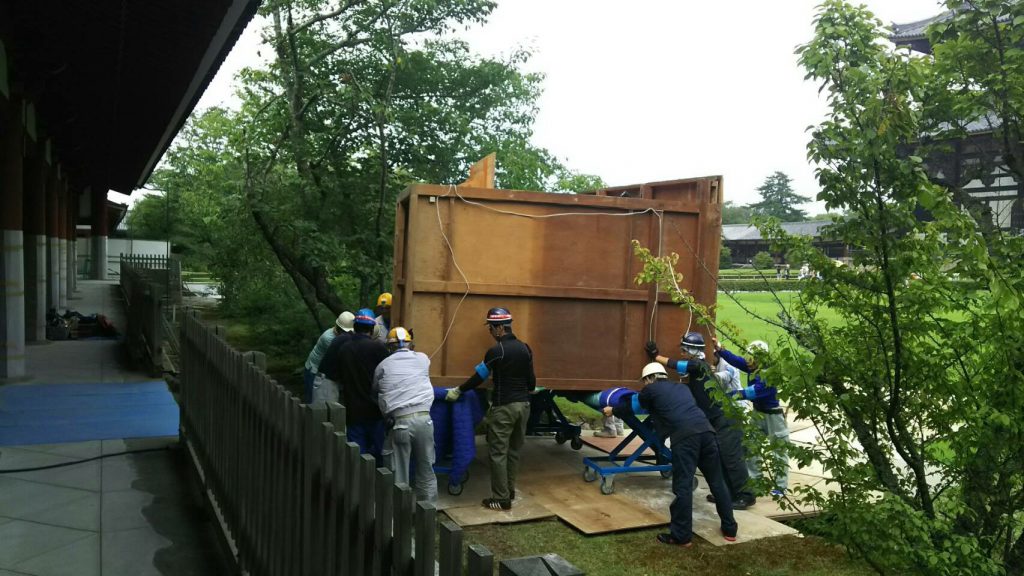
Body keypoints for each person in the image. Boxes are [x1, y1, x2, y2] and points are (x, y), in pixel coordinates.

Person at [606, 362, 738, 546]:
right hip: (707, 433)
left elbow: (632, 407)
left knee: (682, 486)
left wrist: (612, 410)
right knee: (717, 482)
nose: (644, 385)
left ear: (649, 378)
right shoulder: (682, 388)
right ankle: (730, 529)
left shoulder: (650, 390)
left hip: (685, 438)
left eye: (645, 381)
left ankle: (681, 536)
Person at [646, 332, 757, 509]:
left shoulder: (699, 366)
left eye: (684, 349)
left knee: (732, 459)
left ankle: (746, 496)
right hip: (718, 421)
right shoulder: (699, 371)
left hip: (727, 420)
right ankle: (728, 494)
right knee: (721, 458)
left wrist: (656, 357)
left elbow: (678, 364)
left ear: (692, 351)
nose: (682, 353)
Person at [445, 307, 535, 511]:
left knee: (498, 453)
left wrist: (459, 390)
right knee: (514, 451)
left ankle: (501, 499)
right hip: (524, 406)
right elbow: (531, 382)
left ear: (500, 328)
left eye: (491, 328)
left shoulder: (496, 352)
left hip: (505, 408)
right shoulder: (525, 348)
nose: (490, 332)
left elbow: (479, 377)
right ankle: (509, 490)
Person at [714, 337, 791, 497]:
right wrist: (720, 350)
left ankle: (780, 487)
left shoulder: (768, 376)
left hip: (773, 417)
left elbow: (749, 393)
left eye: (752, 357)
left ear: (760, 359)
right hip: (758, 413)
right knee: (751, 446)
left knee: (779, 451)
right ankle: (755, 481)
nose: (748, 360)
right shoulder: (754, 368)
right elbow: (737, 361)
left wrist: (727, 395)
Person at [373, 326, 438, 504]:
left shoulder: (383, 365)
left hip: (399, 422)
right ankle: (428, 515)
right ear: (411, 344)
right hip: (425, 420)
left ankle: (398, 519)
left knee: (398, 475)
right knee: (426, 470)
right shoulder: (423, 359)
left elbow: (375, 388)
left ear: (389, 347)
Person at [339, 308, 390, 460]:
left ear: (355, 326)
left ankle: (356, 481)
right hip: (375, 409)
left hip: (353, 409)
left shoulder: (344, 349)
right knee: (382, 452)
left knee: (356, 454)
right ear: (373, 328)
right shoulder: (378, 348)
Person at [302, 312, 352, 403]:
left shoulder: (340, 337)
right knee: (313, 401)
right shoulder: (329, 338)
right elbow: (340, 358)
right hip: (314, 370)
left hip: (324, 372)